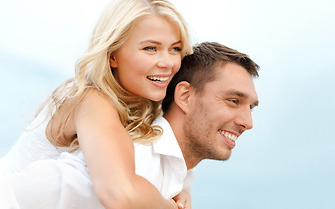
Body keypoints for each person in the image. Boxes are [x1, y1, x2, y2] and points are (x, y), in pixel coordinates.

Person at [1, 42, 260, 209]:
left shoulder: (172, 170)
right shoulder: (133, 161)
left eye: (250, 107)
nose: (247, 122)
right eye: (233, 100)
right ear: (184, 96)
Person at [0, 0, 193, 209]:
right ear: (113, 55)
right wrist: (169, 205)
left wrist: (180, 188)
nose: (167, 62)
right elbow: (119, 193)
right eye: (151, 48)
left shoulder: (142, 105)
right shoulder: (91, 99)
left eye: (175, 49)